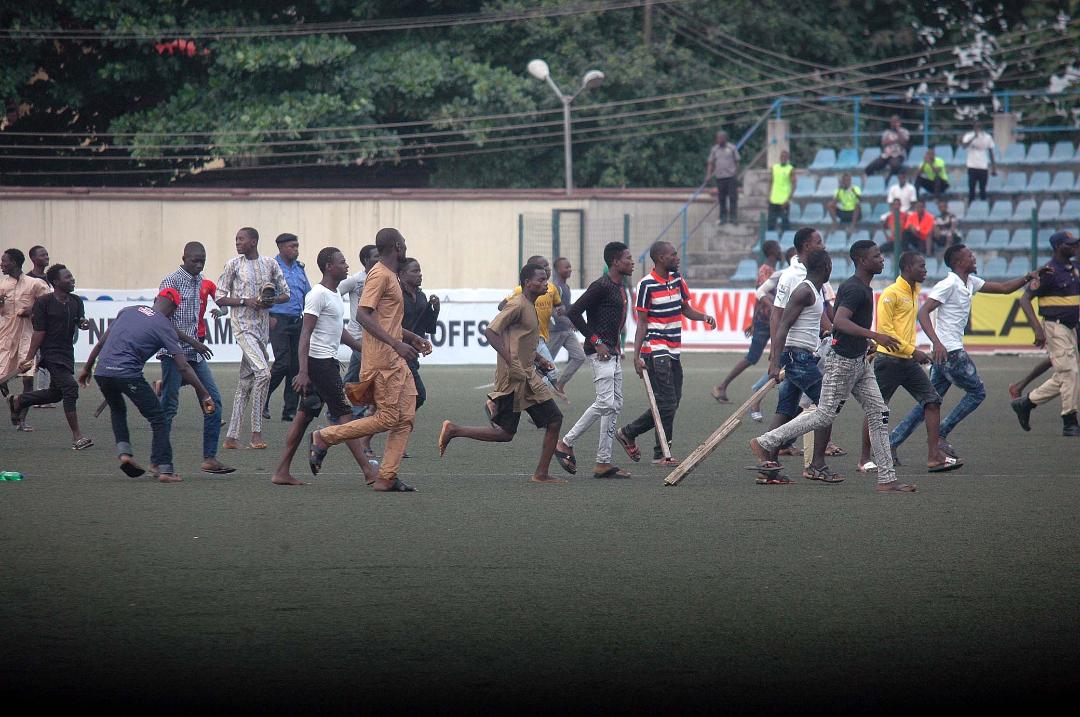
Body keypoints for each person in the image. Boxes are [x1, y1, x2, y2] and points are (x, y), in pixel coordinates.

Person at [751, 240, 917, 493]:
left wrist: (865, 341)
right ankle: (768, 441)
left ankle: (887, 479)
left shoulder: (856, 288)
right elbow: (839, 322)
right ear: (861, 260)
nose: (882, 259)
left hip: (859, 362)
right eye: (876, 256)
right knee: (824, 413)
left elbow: (834, 325)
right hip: (842, 363)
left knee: (879, 413)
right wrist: (875, 336)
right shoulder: (852, 289)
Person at [890, 244, 1049, 455]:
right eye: (969, 256)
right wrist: (937, 343)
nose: (974, 258)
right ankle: (941, 434)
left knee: (929, 401)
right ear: (958, 262)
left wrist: (1028, 277)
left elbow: (1004, 289)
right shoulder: (949, 284)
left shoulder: (970, 282)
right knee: (977, 392)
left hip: (945, 353)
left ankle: (893, 442)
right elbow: (923, 313)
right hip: (950, 351)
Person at [308, 228, 432, 492]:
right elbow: (363, 316)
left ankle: (387, 476)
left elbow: (387, 321)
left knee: (406, 416)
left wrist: (411, 338)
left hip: (395, 357)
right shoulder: (379, 274)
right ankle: (324, 436)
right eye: (405, 242)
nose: (406, 246)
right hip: (382, 360)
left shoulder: (390, 276)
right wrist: (396, 343)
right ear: (398, 246)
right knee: (388, 418)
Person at [438, 263, 569, 484]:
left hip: (527, 375)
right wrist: (511, 360)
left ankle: (541, 474)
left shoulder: (531, 305)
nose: (545, 283)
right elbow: (490, 332)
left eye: (546, 279)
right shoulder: (517, 304)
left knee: (552, 420)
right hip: (514, 378)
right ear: (527, 283)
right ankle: (453, 429)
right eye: (540, 279)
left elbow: (520, 339)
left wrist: (539, 359)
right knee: (507, 433)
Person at [78, 289, 216, 483]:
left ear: (155, 300)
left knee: (117, 409)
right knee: (159, 419)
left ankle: (125, 453)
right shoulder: (165, 327)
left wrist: (86, 369)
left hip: (102, 372)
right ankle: (165, 470)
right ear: (174, 310)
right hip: (128, 374)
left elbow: (101, 343)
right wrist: (204, 394)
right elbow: (183, 367)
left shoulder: (128, 310)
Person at [270, 247, 377, 486]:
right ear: (329, 266)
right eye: (342, 262)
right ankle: (369, 471)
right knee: (345, 417)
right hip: (319, 365)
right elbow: (305, 334)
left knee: (303, 417)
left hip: (324, 363)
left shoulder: (335, 293)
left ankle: (281, 471)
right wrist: (303, 371)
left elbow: (338, 331)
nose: (346, 265)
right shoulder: (317, 294)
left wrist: (363, 349)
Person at [856, 252, 961, 473]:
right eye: (921, 266)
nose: (925, 270)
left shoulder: (914, 290)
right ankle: (864, 459)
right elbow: (885, 331)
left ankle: (934, 457)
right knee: (876, 409)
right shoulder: (891, 293)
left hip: (907, 361)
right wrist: (914, 351)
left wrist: (912, 352)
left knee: (932, 401)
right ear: (907, 267)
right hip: (889, 360)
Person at [615, 241, 717, 467]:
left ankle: (630, 434)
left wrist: (704, 317)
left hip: (674, 349)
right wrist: (636, 355)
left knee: (672, 402)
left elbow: (685, 309)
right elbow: (642, 323)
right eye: (673, 255)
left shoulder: (678, 280)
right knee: (668, 403)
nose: (677, 258)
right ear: (660, 258)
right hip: (655, 350)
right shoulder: (646, 285)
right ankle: (661, 452)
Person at [750, 249, 839, 484]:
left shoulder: (814, 290)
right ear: (826, 267)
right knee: (827, 406)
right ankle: (817, 465)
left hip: (800, 356)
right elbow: (782, 326)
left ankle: (768, 469)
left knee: (785, 410)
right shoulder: (804, 291)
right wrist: (774, 362)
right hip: (798, 358)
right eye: (831, 265)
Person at [554, 242, 635, 479]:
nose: (632, 262)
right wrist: (596, 340)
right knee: (605, 402)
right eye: (628, 258)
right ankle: (566, 443)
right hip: (600, 353)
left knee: (614, 405)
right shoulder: (600, 286)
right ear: (615, 262)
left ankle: (603, 462)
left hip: (613, 354)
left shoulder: (619, 287)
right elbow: (574, 312)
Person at [157, 242, 234, 475]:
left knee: (213, 400)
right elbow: (161, 321)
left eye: (203, 260)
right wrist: (192, 341)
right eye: (195, 260)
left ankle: (209, 458)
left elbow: (221, 305)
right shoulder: (171, 282)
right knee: (169, 408)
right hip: (173, 353)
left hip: (195, 354)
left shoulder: (202, 282)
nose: (199, 264)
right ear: (184, 258)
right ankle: (159, 460)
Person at [216, 227, 290, 450]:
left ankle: (231, 437)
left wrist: (270, 301)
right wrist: (244, 301)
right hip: (242, 327)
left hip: (261, 330)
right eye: (236, 238)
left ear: (254, 241)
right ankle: (256, 433)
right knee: (264, 373)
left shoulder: (270, 264)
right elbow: (220, 297)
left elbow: (286, 294)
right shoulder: (233, 265)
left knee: (245, 382)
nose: (237, 242)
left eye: (241, 239)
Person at [7, 264, 92, 449]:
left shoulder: (76, 301)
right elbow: (39, 332)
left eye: (71, 277)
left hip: (67, 352)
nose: (72, 279)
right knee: (70, 388)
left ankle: (19, 400)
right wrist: (29, 357)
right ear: (55, 282)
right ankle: (78, 437)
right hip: (51, 353)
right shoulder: (44, 302)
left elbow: (79, 319)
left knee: (56, 394)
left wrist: (83, 323)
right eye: (67, 277)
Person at [1012, 231, 1080, 436]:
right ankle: (1069, 421)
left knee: (1065, 375)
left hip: (1071, 327)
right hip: (1055, 326)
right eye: (1070, 244)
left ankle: (1027, 403)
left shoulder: (1074, 268)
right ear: (1059, 247)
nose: (1074, 247)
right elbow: (1025, 299)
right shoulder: (1048, 272)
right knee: (1070, 372)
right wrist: (1037, 329)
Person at [712, 239, 783, 403]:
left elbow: (758, 297)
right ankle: (723, 386)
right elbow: (761, 294)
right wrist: (755, 321)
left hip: (768, 320)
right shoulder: (765, 270)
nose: (781, 251)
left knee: (779, 354)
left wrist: (752, 320)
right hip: (766, 321)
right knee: (753, 357)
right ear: (772, 251)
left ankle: (756, 389)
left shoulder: (773, 270)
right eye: (778, 249)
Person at [0, 248, 51, 431]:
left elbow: (47, 304)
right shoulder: (2, 285)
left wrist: (32, 310)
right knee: (2, 376)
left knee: (27, 379)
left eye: (4, 261)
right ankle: (11, 401)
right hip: (6, 336)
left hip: (27, 336)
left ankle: (21, 419)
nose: (1, 264)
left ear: (14, 262)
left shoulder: (34, 284)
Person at [499, 255, 563, 395]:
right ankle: (538, 405)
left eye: (547, 266)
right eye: (543, 266)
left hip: (540, 337)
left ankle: (500, 403)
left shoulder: (550, 289)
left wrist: (559, 310)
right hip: (532, 338)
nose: (547, 269)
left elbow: (558, 305)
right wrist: (516, 319)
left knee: (526, 375)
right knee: (551, 373)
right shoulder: (519, 292)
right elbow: (502, 307)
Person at [265, 233, 311, 422]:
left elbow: (307, 292)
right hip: (278, 319)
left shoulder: (300, 269)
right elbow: (263, 293)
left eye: (297, 246)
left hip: (297, 320)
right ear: (281, 247)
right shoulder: (270, 267)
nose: (296, 249)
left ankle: (289, 410)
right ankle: (263, 399)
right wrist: (268, 315)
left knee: (295, 366)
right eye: (292, 246)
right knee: (282, 362)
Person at [339, 244, 380, 428]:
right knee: (362, 372)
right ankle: (346, 407)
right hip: (358, 335)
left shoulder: (382, 277)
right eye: (376, 256)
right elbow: (333, 292)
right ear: (366, 260)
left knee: (356, 372)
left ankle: (340, 403)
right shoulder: (356, 280)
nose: (379, 259)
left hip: (375, 334)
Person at [399, 257, 439, 409]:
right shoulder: (396, 296)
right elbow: (389, 325)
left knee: (408, 399)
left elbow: (428, 327)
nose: (420, 274)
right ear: (402, 274)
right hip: (397, 353)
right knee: (418, 395)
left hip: (412, 354)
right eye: (415, 271)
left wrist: (436, 310)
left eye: (420, 270)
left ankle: (392, 424)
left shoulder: (422, 296)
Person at [546, 257, 587, 399]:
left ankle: (560, 385)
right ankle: (536, 399)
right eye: (566, 267)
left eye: (570, 267)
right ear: (557, 270)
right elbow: (552, 311)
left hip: (566, 331)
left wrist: (577, 310)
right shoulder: (555, 287)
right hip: (555, 332)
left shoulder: (566, 287)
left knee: (580, 357)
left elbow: (565, 308)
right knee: (544, 366)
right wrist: (569, 322)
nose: (569, 270)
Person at [706, 130, 740, 224]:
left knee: (733, 197)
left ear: (725, 138)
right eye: (718, 138)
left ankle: (733, 218)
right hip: (720, 177)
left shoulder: (732, 148)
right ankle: (722, 218)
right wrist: (708, 174)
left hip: (731, 177)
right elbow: (710, 163)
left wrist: (735, 172)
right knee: (722, 198)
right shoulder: (714, 149)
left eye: (721, 138)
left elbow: (737, 161)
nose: (719, 140)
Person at [864, 115, 910, 179]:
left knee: (895, 165)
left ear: (899, 123)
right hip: (886, 155)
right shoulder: (887, 132)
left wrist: (898, 131)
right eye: (892, 122)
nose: (893, 124)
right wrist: (895, 140)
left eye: (895, 122)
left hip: (898, 154)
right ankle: (876, 181)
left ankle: (889, 179)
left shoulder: (904, 131)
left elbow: (904, 143)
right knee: (869, 168)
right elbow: (883, 144)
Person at [961, 120, 996, 203]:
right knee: (971, 188)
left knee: (982, 189)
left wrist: (994, 167)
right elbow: (964, 146)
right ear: (974, 127)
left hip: (983, 166)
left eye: (980, 126)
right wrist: (974, 137)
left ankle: (983, 206)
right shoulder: (968, 136)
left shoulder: (988, 137)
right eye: (976, 126)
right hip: (972, 166)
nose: (978, 128)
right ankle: (970, 205)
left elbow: (991, 152)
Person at [767, 150, 796, 233]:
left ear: (788, 158)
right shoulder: (774, 167)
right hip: (773, 199)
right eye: (782, 156)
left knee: (785, 222)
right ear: (780, 158)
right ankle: (771, 239)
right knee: (771, 222)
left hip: (784, 201)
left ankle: (786, 240)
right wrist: (768, 195)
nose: (783, 158)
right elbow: (771, 181)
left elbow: (794, 185)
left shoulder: (790, 169)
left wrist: (789, 199)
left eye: (785, 156)